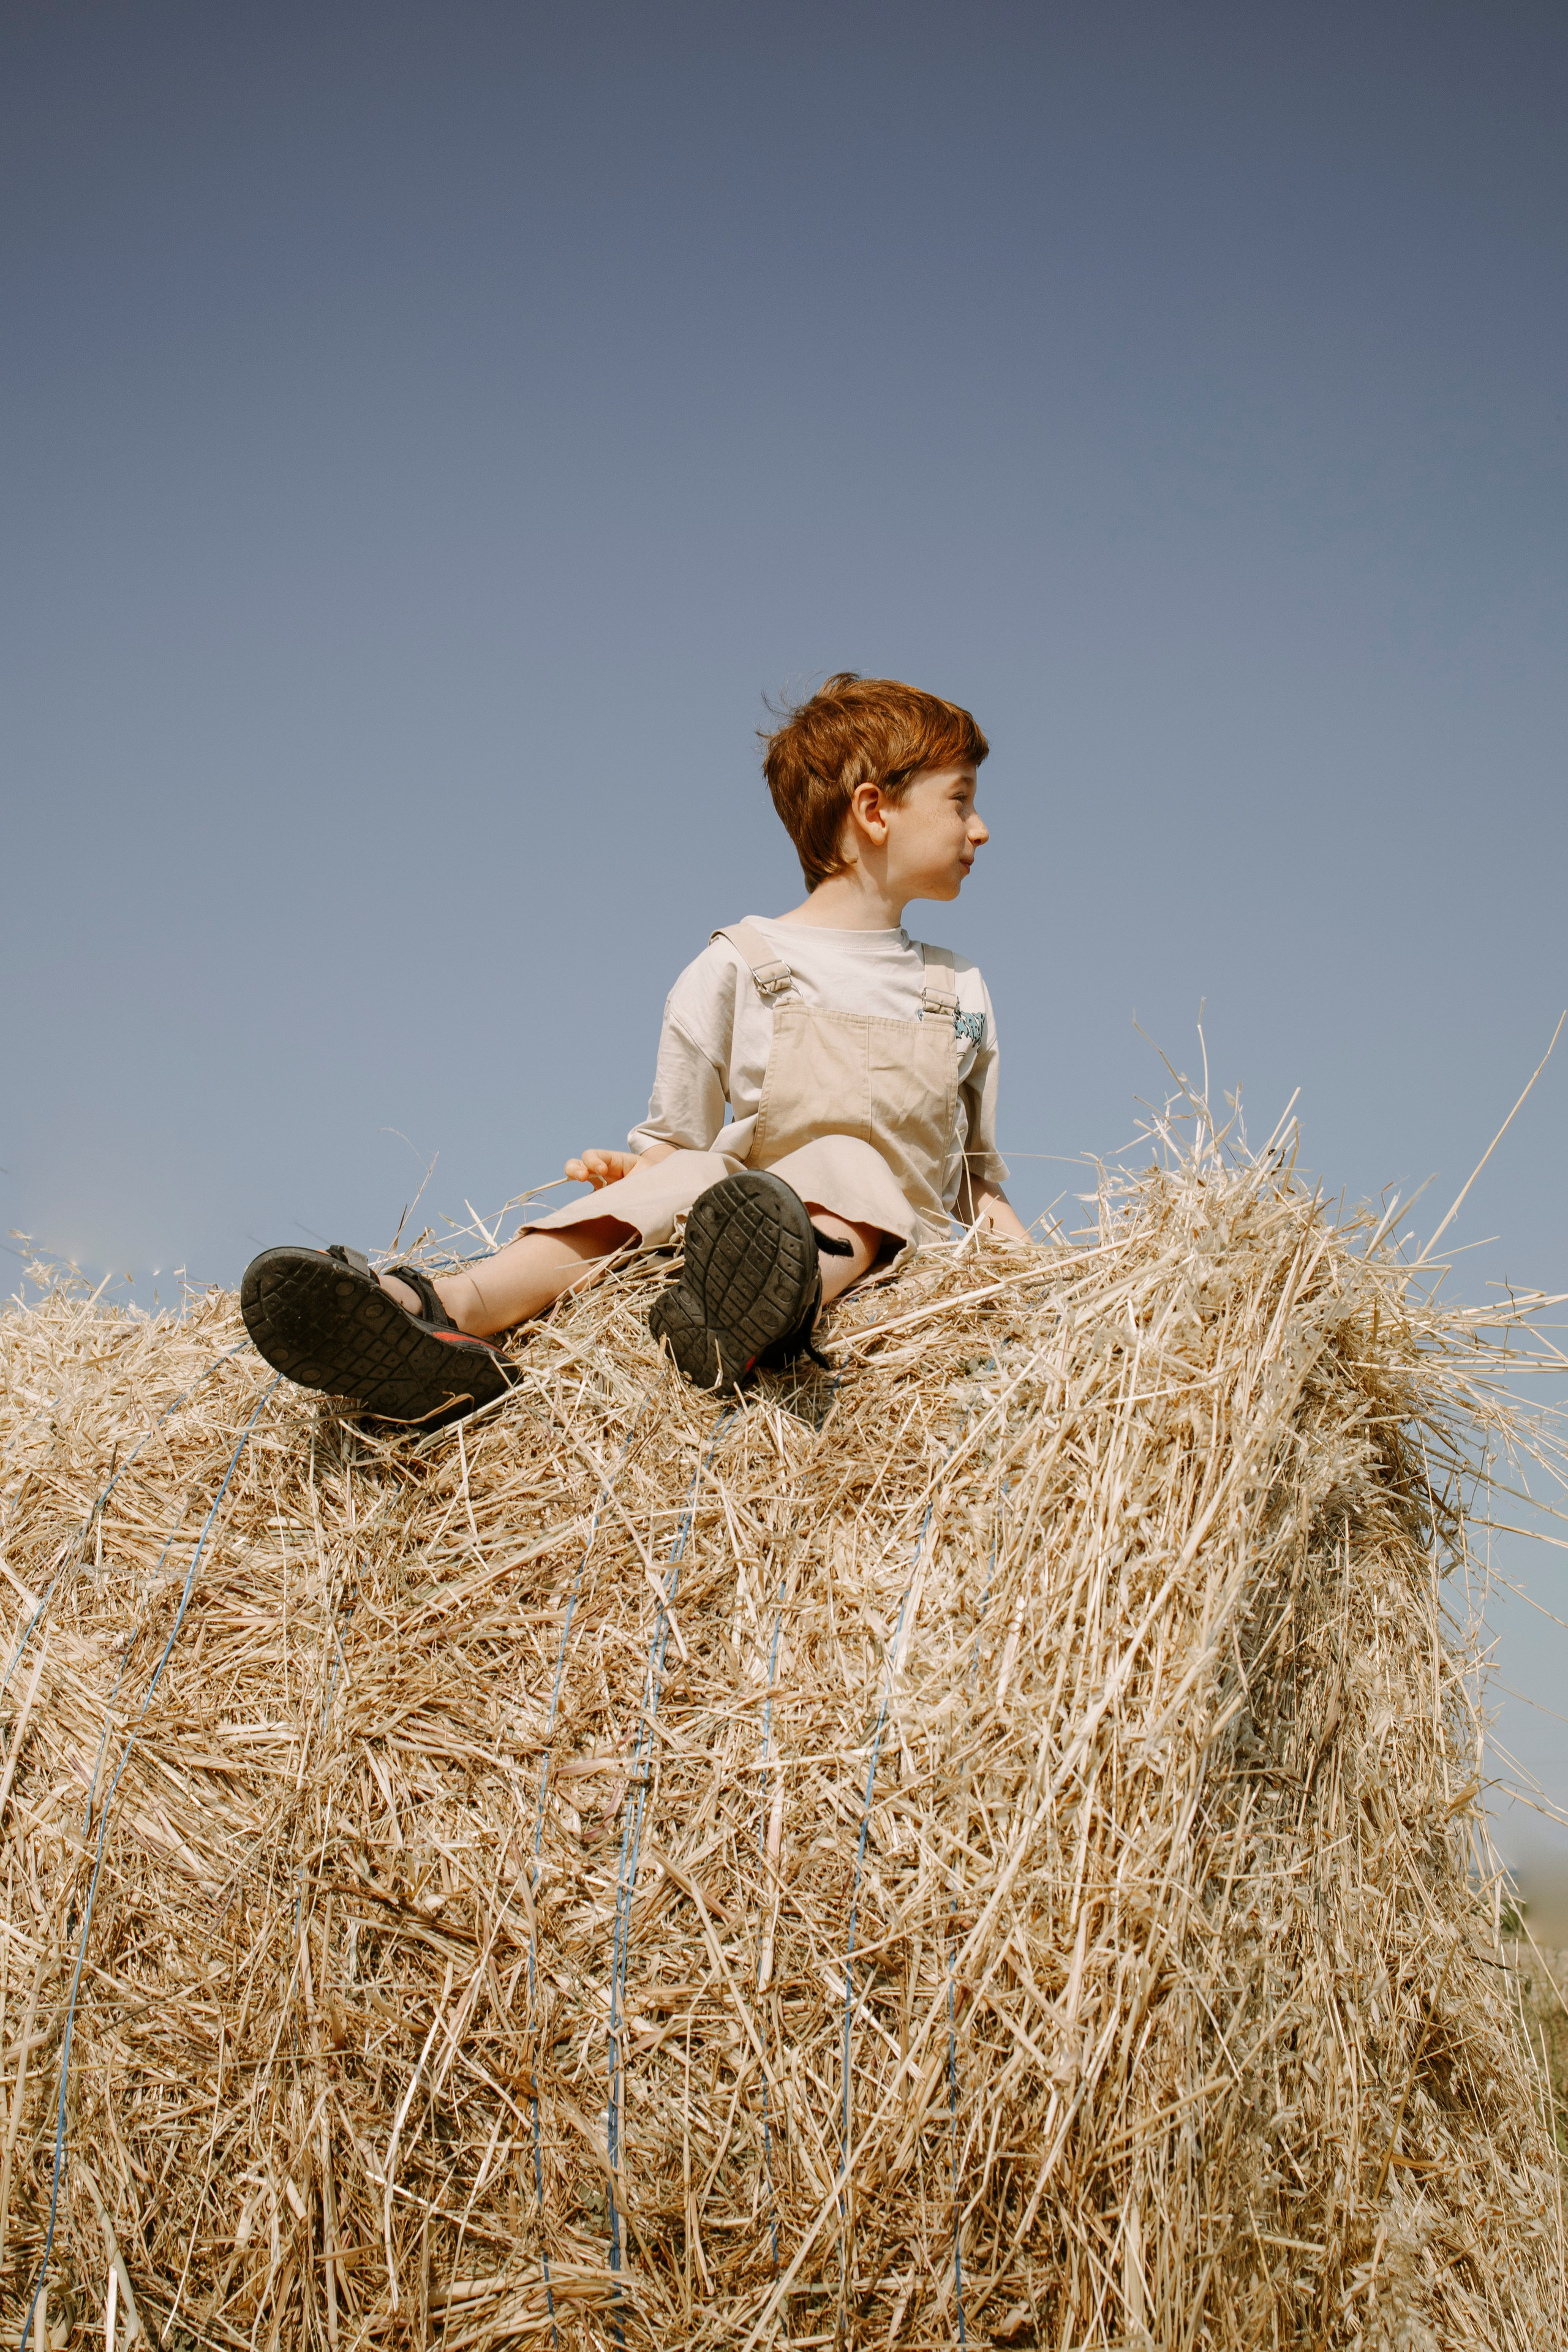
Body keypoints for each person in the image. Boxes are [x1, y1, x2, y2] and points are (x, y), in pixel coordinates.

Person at [241, 674, 1030, 1422]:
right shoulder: (739, 967)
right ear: (874, 809)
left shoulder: (958, 991)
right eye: (960, 800)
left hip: (884, 1272)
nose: (981, 828)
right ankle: (441, 1308)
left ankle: (750, 1322)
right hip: (742, 1240)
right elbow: (676, 1148)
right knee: (696, 1172)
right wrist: (635, 1175)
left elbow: (978, 1189)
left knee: (851, 1164)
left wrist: (1049, 1305)